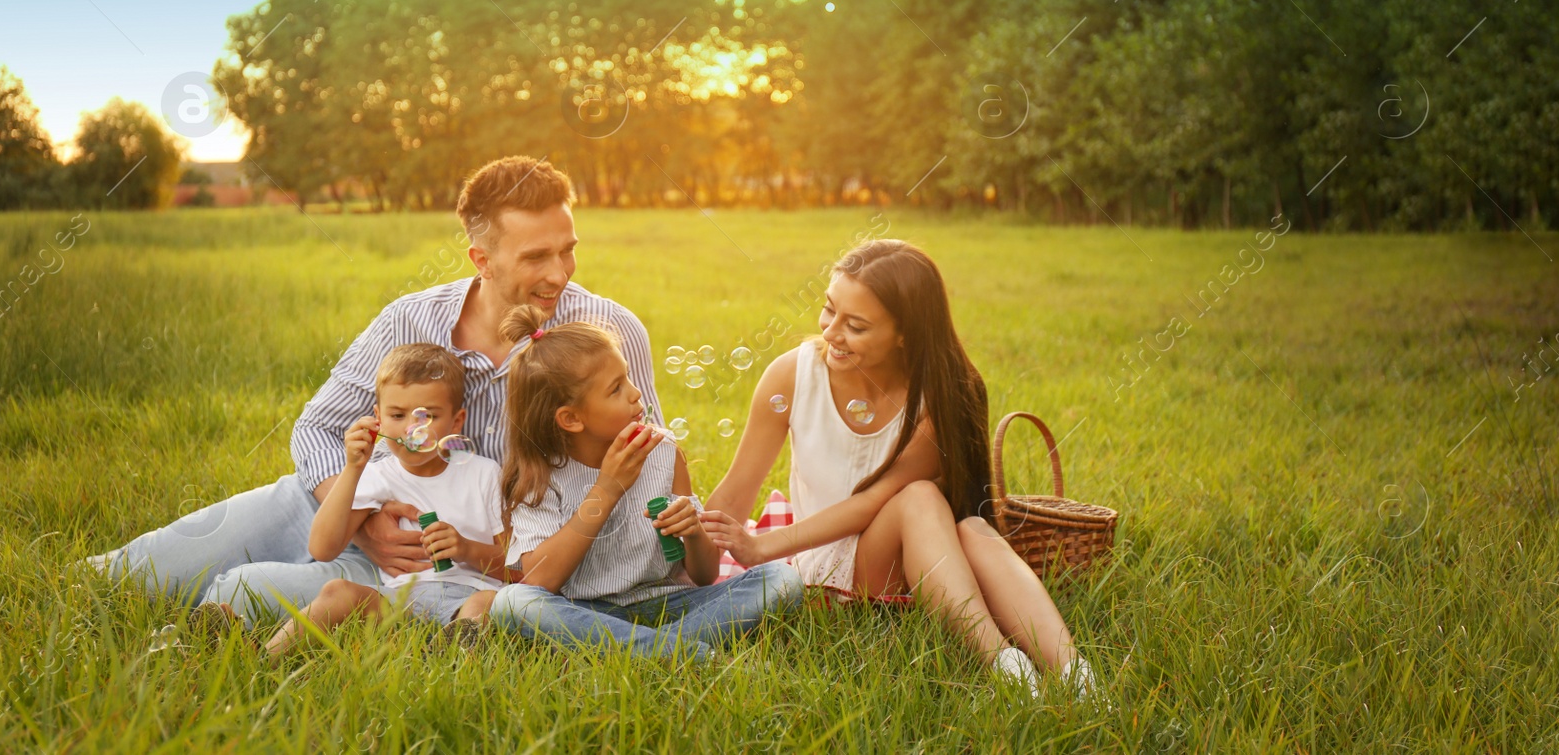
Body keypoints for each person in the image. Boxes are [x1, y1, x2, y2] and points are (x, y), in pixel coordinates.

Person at [91, 157, 669, 626]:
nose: (560, 272)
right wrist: (364, 528)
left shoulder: (606, 333)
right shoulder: (409, 320)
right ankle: (86, 577)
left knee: (255, 593)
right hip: (351, 505)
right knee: (139, 575)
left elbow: (647, 464)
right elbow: (317, 428)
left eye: (567, 248)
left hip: (464, 558)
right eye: (536, 256)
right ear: (481, 260)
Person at [701, 239, 1098, 698]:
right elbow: (738, 488)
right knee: (922, 498)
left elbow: (874, 502)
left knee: (971, 528)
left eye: (857, 325)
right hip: (831, 567)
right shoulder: (794, 375)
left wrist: (761, 545)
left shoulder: (942, 394)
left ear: (905, 332)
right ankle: (1005, 665)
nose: (831, 332)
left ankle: (1077, 675)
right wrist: (699, 554)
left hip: (920, 559)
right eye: (829, 310)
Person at [480, 304, 804, 661]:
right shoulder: (539, 477)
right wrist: (608, 488)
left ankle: (642, 652)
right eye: (616, 389)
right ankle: (684, 654)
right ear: (571, 418)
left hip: (671, 604)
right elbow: (542, 582)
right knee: (513, 602)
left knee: (780, 580)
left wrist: (694, 532)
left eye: (628, 378)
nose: (636, 394)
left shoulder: (663, 452)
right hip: (585, 612)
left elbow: (704, 575)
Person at [251, 343, 507, 656]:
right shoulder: (378, 475)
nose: (411, 429)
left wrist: (467, 549)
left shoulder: (484, 474)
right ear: (378, 419)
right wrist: (353, 468)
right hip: (399, 603)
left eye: (428, 416)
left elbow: (517, 569)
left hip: (470, 597)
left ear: (456, 422)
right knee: (338, 591)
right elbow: (322, 548)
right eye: (397, 415)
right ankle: (264, 658)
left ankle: (446, 662)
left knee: (487, 604)